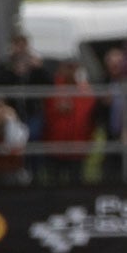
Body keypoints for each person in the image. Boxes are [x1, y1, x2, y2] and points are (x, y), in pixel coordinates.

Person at [40, 57, 95, 185]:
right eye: (68, 67)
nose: (71, 71)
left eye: (74, 67)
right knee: (53, 184)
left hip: (77, 147)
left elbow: (89, 118)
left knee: (76, 184)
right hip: (55, 146)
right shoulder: (53, 88)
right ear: (61, 69)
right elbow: (46, 115)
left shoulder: (86, 90)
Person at [0, 32, 50, 142]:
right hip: (11, 111)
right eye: (17, 45)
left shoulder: (35, 66)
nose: (20, 49)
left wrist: (39, 68)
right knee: (13, 139)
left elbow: (49, 84)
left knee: (32, 136)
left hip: (32, 111)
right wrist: (12, 71)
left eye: (23, 46)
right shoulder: (4, 66)